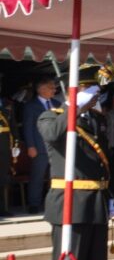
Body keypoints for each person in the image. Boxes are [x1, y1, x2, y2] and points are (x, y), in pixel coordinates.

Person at [39, 65, 114, 260]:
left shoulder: (95, 121)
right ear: (76, 92)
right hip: (69, 207)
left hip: (95, 204)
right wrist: (74, 107)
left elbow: (105, 160)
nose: (95, 98)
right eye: (90, 92)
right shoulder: (52, 116)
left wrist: (113, 195)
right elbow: (53, 135)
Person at [22, 75, 59, 214]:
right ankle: (34, 203)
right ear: (41, 89)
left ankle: (53, 204)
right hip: (39, 147)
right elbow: (28, 127)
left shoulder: (57, 103)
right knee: (37, 177)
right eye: (51, 87)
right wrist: (31, 146)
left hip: (56, 148)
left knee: (56, 177)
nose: (54, 90)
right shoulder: (31, 106)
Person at [0, 93, 13, 217]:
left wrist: (16, 143)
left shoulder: (6, 104)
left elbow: (12, 127)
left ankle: (2, 208)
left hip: (4, 148)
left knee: (3, 179)